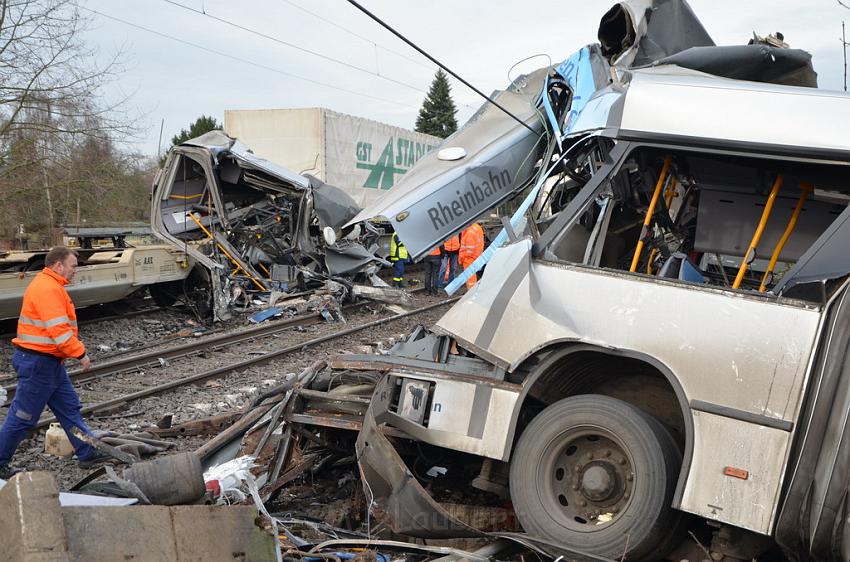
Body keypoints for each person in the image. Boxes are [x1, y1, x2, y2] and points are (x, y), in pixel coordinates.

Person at [0, 246, 107, 478]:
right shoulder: (48, 289)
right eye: (73, 266)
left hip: (48, 362)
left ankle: (86, 452)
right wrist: (80, 353)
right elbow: (59, 331)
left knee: (69, 408)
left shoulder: (51, 285)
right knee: (23, 417)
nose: (75, 271)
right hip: (38, 363)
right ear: (58, 265)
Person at [459, 222, 485, 289]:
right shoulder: (477, 227)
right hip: (476, 256)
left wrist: (462, 259)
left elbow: (469, 250)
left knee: (470, 279)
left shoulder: (469, 233)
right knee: (473, 276)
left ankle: (471, 292)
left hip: (468, 259)